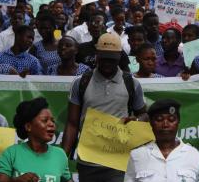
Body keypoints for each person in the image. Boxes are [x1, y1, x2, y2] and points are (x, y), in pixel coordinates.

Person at [62, 33, 147, 182]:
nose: (107, 62)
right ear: (97, 55)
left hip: (118, 161)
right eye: (104, 58)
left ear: (120, 57)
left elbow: (144, 115)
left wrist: (137, 121)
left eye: (112, 59)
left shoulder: (132, 83)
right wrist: (61, 159)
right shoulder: (81, 82)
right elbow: (72, 123)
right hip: (88, 161)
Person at [124, 99, 199, 182]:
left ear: (178, 122)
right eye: (159, 119)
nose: (165, 124)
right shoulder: (137, 155)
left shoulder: (194, 155)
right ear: (151, 123)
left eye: (171, 119)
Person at [0, 97, 72, 182]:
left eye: (52, 121)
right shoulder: (11, 154)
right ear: (28, 126)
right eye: (45, 120)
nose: (51, 124)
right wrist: (16, 181)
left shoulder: (60, 155)